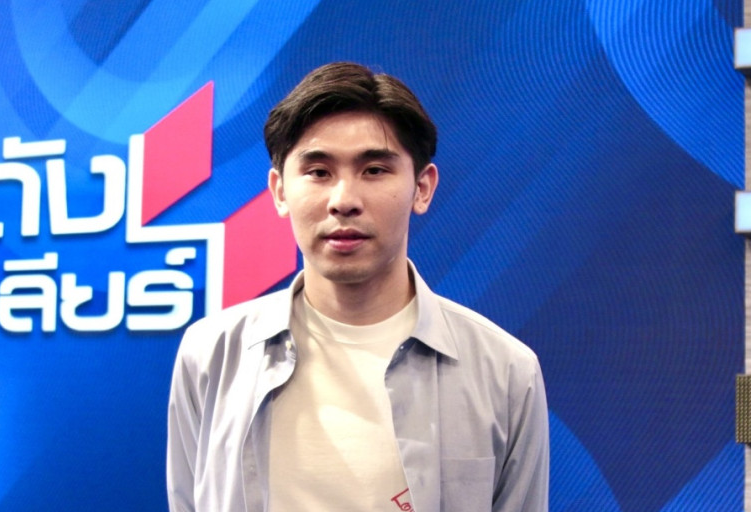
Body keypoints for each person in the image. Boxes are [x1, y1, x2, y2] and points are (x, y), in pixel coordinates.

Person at [167, 62, 549, 512]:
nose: (344, 201)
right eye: (318, 172)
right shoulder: (212, 354)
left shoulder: (505, 371)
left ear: (422, 188)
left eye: (374, 170)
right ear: (280, 191)